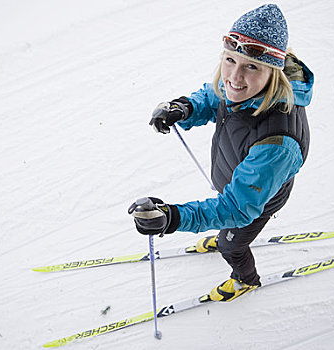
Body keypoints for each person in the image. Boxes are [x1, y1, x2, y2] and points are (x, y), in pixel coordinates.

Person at [128, 4, 314, 302]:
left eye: (251, 66)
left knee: (232, 246)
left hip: (255, 200)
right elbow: (216, 94)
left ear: (274, 71)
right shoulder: (246, 89)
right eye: (230, 60)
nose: (235, 77)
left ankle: (245, 280)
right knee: (227, 226)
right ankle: (223, 236)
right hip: (236, 179)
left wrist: (173, 218)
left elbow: (238, 208)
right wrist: (184, 108)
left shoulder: (277, 143)